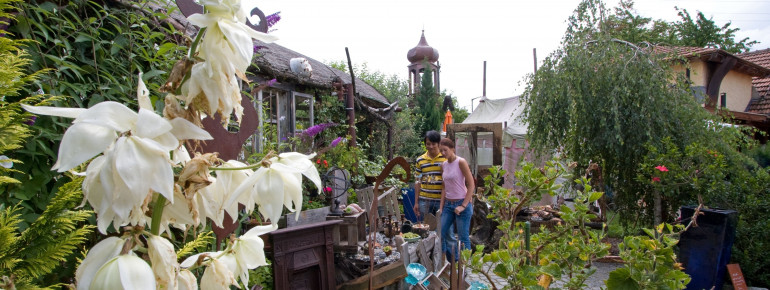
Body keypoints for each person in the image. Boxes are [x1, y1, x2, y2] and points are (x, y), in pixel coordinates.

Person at [438, 137, 475, 261]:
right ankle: (446, 263)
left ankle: (463, 267)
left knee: (463, 238)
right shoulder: (443, 164)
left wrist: (463, 205)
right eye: (441, 151)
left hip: (461, 203)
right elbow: (444, 187)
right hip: (448, 204)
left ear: (453, 149)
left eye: (445, 150)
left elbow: (471, 185)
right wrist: (441, 207)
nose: (443, 153)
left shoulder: (461, 162)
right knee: (440, 233)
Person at [413, 130, 446, 222]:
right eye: (428, 144)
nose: (431, 146)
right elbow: (417, 181)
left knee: (442, 228)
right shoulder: (420, 160)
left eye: (433, 144)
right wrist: (416, 202)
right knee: (427, 227)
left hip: (441, 200)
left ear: (439, 143)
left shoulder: (445, 158)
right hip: (424, 200)